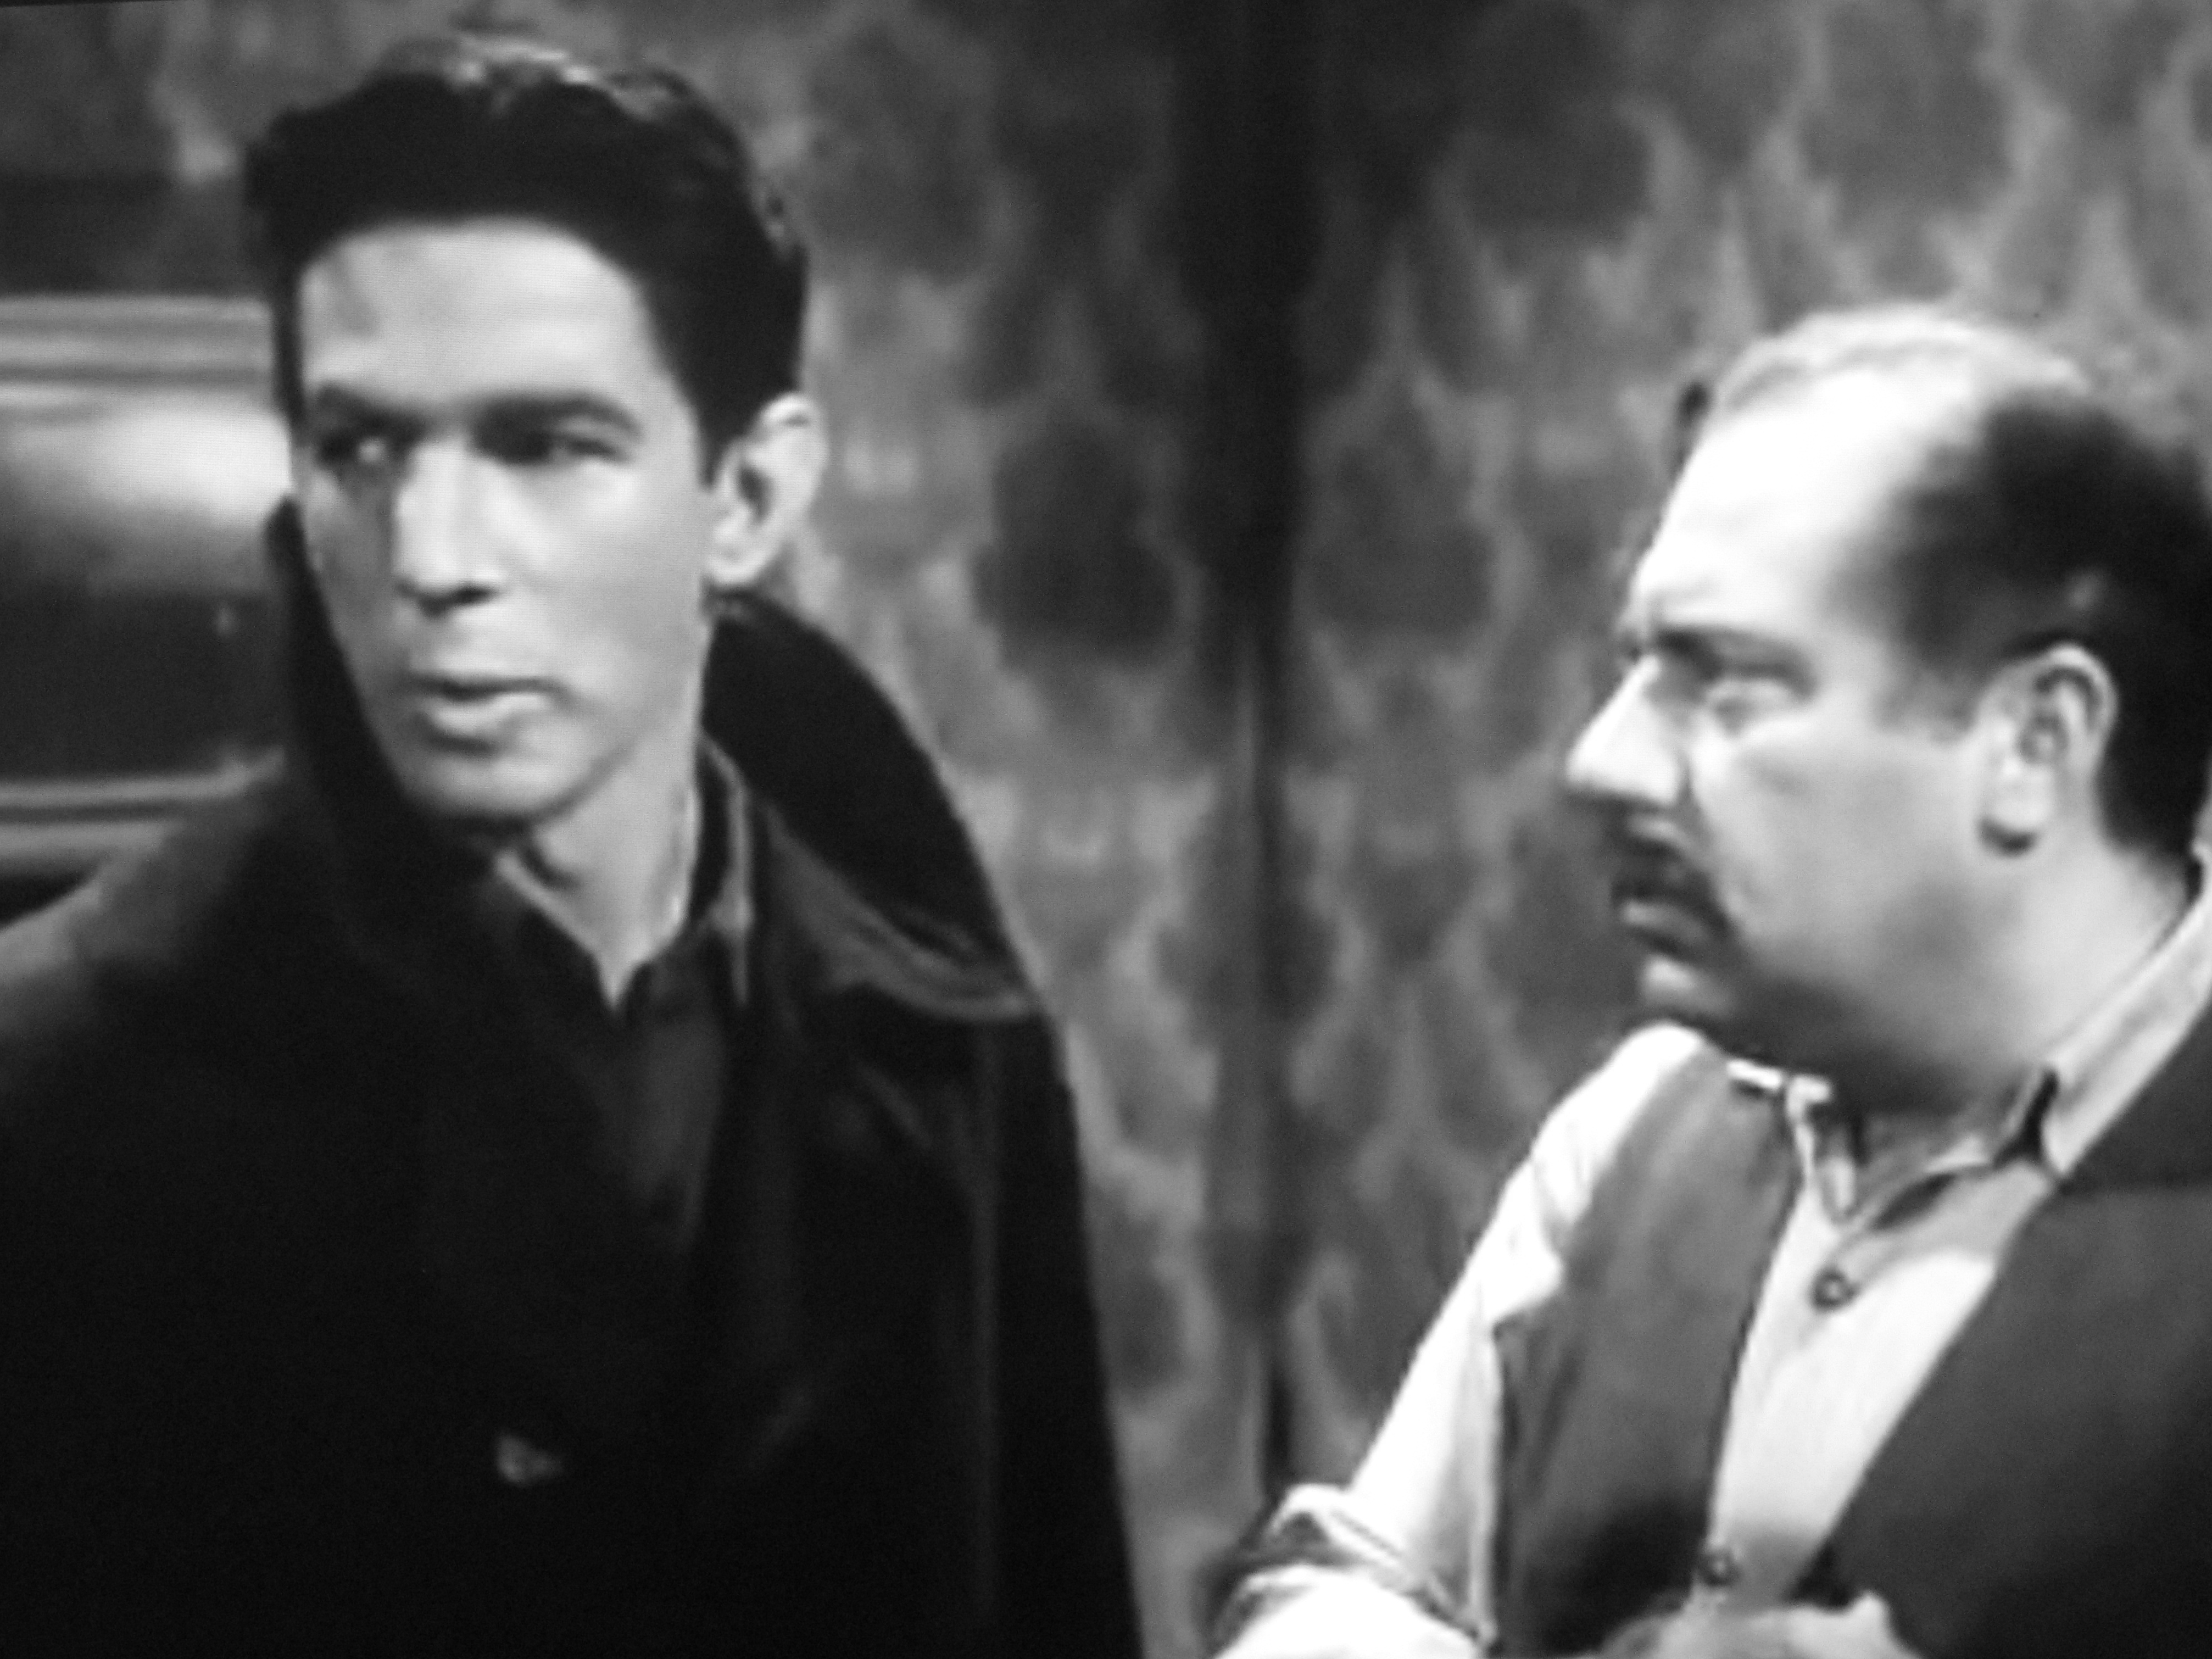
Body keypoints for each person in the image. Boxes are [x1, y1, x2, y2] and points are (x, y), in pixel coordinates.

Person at [0, 33, 1138, 1659]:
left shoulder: (949, 1054)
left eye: (541, 446)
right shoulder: (63, 1083)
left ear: (747, 498)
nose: (433, 557)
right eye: (361, 448)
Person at [1213, 306, 2212, 1659]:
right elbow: (1357, 1579)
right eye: (1637, 669)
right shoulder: (1639, 1129)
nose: (1601, 762)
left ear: (2035, 740)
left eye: (1724, 686)